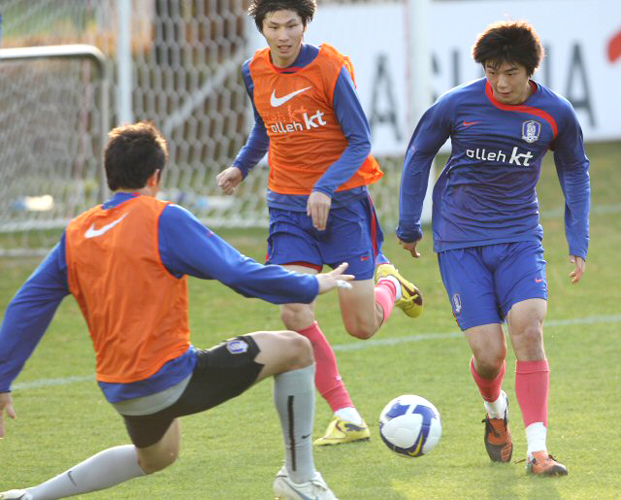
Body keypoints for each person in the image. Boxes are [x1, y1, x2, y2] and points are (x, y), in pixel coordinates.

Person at [0, 121, 354, 499]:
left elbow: (28, 305)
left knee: (158, 456)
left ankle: (32, 496)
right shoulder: (163, 218)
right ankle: (299, 480)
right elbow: (236, 272)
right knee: (296, 349)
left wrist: (2, 378)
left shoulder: (76, 233)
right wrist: (310, 283)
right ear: (155, 176)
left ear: (108, 174)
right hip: (169, 379)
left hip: (122, 390)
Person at [217, 0, 423, 446]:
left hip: (344, 206)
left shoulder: (329, 69)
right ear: (262, 28)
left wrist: (325, 186)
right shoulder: (254, 71)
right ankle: (347, 414)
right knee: (293, 309)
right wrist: (241, 167)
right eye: (274, 26)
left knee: (361, 327)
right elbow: (264, 127)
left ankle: (392, 286)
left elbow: (360, 140)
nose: (284, 35)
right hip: (289, 210)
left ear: (305, 24)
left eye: (292, 25)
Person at [397, 21, 590, 476]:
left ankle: (538, 450)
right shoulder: (457, 104)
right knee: (489, 355)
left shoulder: (554, 113)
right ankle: (495, 411)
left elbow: (575, 171)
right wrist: (408, 222)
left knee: (527, 330)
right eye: (491, 71)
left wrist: (576, 238)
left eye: (510, 72)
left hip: (520, 237)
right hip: (460, 241)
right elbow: (418, 155)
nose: (500, 83)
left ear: (530, 70)